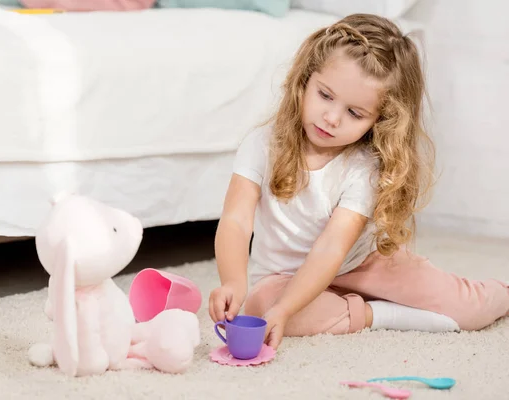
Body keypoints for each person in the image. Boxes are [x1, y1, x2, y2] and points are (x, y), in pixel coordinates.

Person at [208, 13, 509, 350]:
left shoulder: (363, 168)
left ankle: (492, 296)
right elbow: (236, 221)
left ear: (380, 121)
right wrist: (234, 282)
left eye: (354, 113)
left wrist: (288, 308)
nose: (332, 118)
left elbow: (331, 249)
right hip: (284, 277)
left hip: (361, 265)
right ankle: (369, 312)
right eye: (325, 95)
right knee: (264, 308)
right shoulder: (262, 144)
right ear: (306, 80)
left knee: (469, 311)